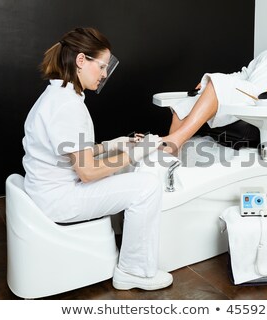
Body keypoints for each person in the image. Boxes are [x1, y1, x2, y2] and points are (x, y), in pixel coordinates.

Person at [22, 27, 173, 291]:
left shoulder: (59, 95)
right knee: (147, 187)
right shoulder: (68, 105)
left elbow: (69, 153)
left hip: (46, 190)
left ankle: (122, 242)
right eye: (101, 66)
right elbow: (88, 173)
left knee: (121, 174)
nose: (104, 74)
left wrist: (111, 145)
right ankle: (133, 271)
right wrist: (133, 153)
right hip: (61, 200)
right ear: (81, 60)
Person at [161, 10, 267, 154]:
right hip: (245, 91)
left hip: (262, 99)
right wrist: (210, 82)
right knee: (184, 105)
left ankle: (173, 141)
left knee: (217, 82)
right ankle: (170, 162)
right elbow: (243, 74)